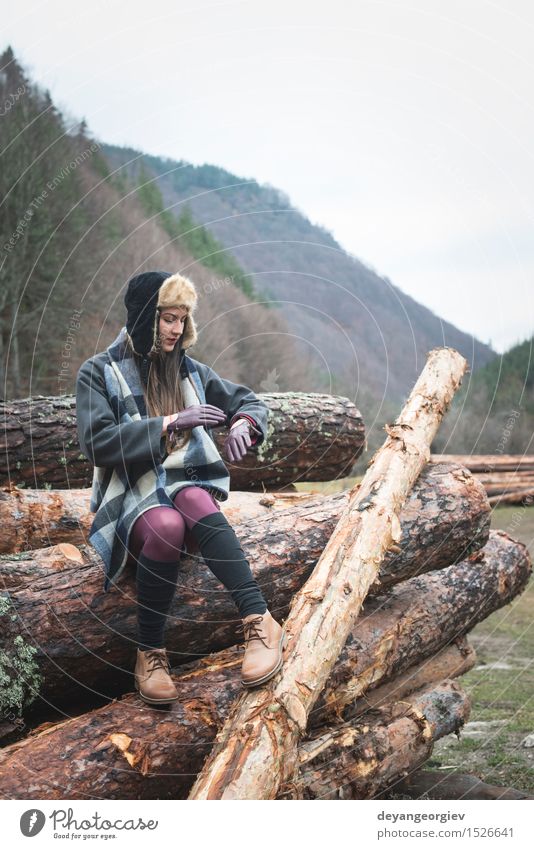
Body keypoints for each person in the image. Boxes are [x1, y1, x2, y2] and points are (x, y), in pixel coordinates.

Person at [75, 270, 286, 705]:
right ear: (143, 318)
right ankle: (150, 652)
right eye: (166, 318)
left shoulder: (190, 370)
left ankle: (260, 621)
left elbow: (248, 401)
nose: (175, 329)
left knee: (192, 494)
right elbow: (96, 443)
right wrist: (169, 423)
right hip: (131, 496)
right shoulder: (98, 372)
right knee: (168, 524)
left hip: (185, 486)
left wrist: (246, 422)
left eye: (181, 319)